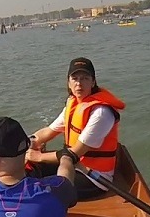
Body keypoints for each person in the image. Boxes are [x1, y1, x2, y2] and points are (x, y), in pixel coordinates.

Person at [27, 57, 126, 200]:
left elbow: (74, 153)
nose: (79, 84)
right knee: (27, 170)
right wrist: (28, 144)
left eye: (85, 78)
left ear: (93, 82)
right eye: (75, 78)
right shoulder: (73, 105)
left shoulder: (101, 113)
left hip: (93, 177)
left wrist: (39, 156)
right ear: (68, 82)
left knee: (42, 191)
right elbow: (48, 132)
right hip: (70, 165)